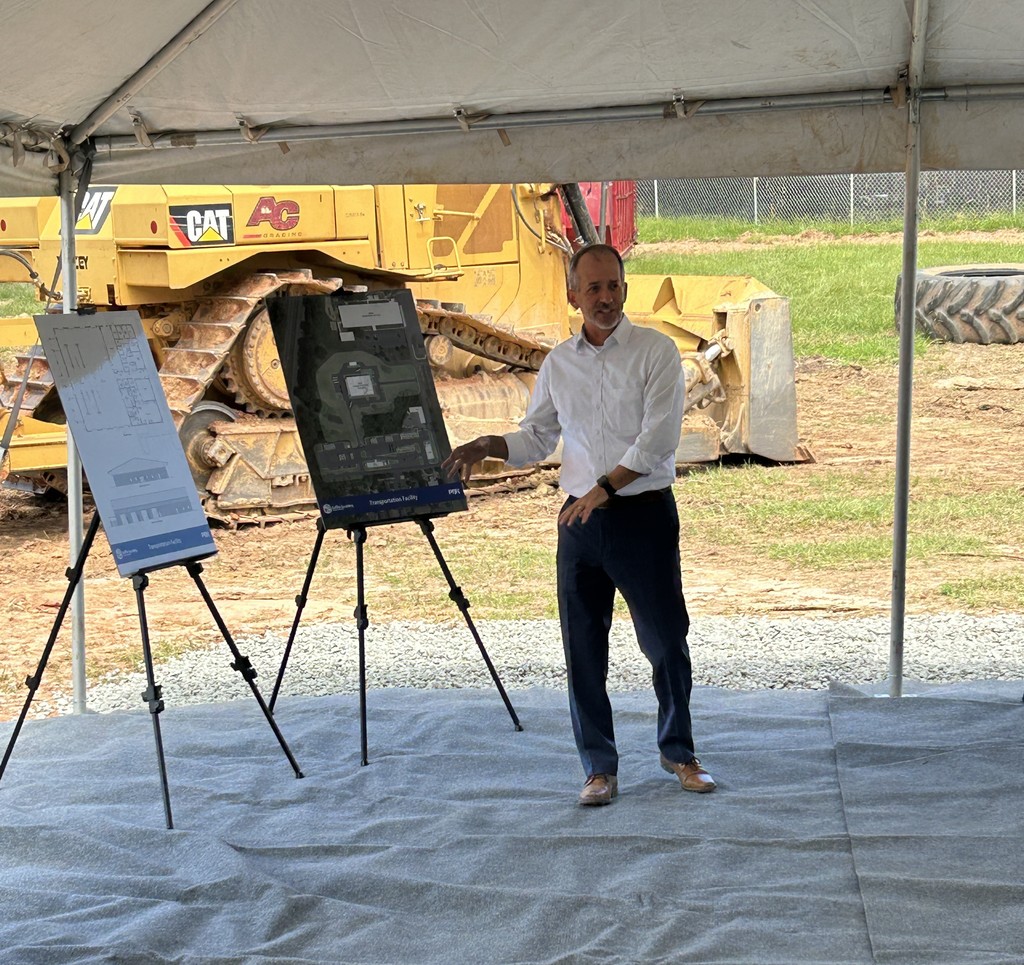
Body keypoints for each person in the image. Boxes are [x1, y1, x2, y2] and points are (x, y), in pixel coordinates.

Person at [442, 243, 715, 806]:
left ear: (624, 289)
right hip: (579, 523)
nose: (605, 297)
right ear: (573, 295)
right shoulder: (557, 364)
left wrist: (604, 489)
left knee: (666, 643)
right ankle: (598, 767)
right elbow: (538, 436)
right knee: (583, 649)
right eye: (592, 288)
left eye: (613, 285)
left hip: (640, 514)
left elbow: (659, 439)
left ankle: (679, 752)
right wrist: (489, 444)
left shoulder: (656, 352)